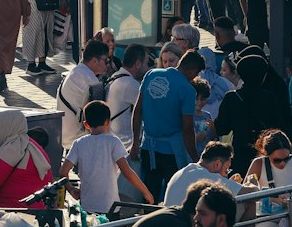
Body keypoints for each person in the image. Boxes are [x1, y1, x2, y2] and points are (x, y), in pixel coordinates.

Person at [130, 48, 200, 201]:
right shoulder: (187, 90)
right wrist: (196, 158)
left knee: (149, 195)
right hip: (172, 152)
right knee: (173, 197)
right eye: (196, 74)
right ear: (193, 71)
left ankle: (147, 223)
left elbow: (137, 111)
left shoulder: (151, 74)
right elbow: (187, 129)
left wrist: (135, 143)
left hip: (148, 147)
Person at [64, 100, 152, 213]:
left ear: (86, 124)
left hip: (86, 206)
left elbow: (63, 172)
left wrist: (71, 189)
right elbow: (127, 172)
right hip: (110, 206)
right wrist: (145, 191)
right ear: (108, 122)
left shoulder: (79, 143)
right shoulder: (113, 142)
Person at [164, 141, 243, 207]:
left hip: (170, 221)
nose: (226, 174)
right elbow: (250, 192)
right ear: (217, 164)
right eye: (226, 169)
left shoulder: (184, 172)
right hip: (187, 224)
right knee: (248, 201)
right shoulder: (209, 177)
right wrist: (251, 182)